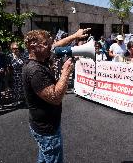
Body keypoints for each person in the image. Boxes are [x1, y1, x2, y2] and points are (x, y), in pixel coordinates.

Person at [22, 28, 90, 163]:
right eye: (46, 44)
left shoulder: (37, 58)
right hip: (47, 129)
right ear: (33, 46)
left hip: (44, 125)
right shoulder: (35, 71)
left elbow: (56, 45)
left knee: (45, 157)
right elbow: (55, 98)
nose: (51, 47)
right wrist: (66, 72)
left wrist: (75, 36)